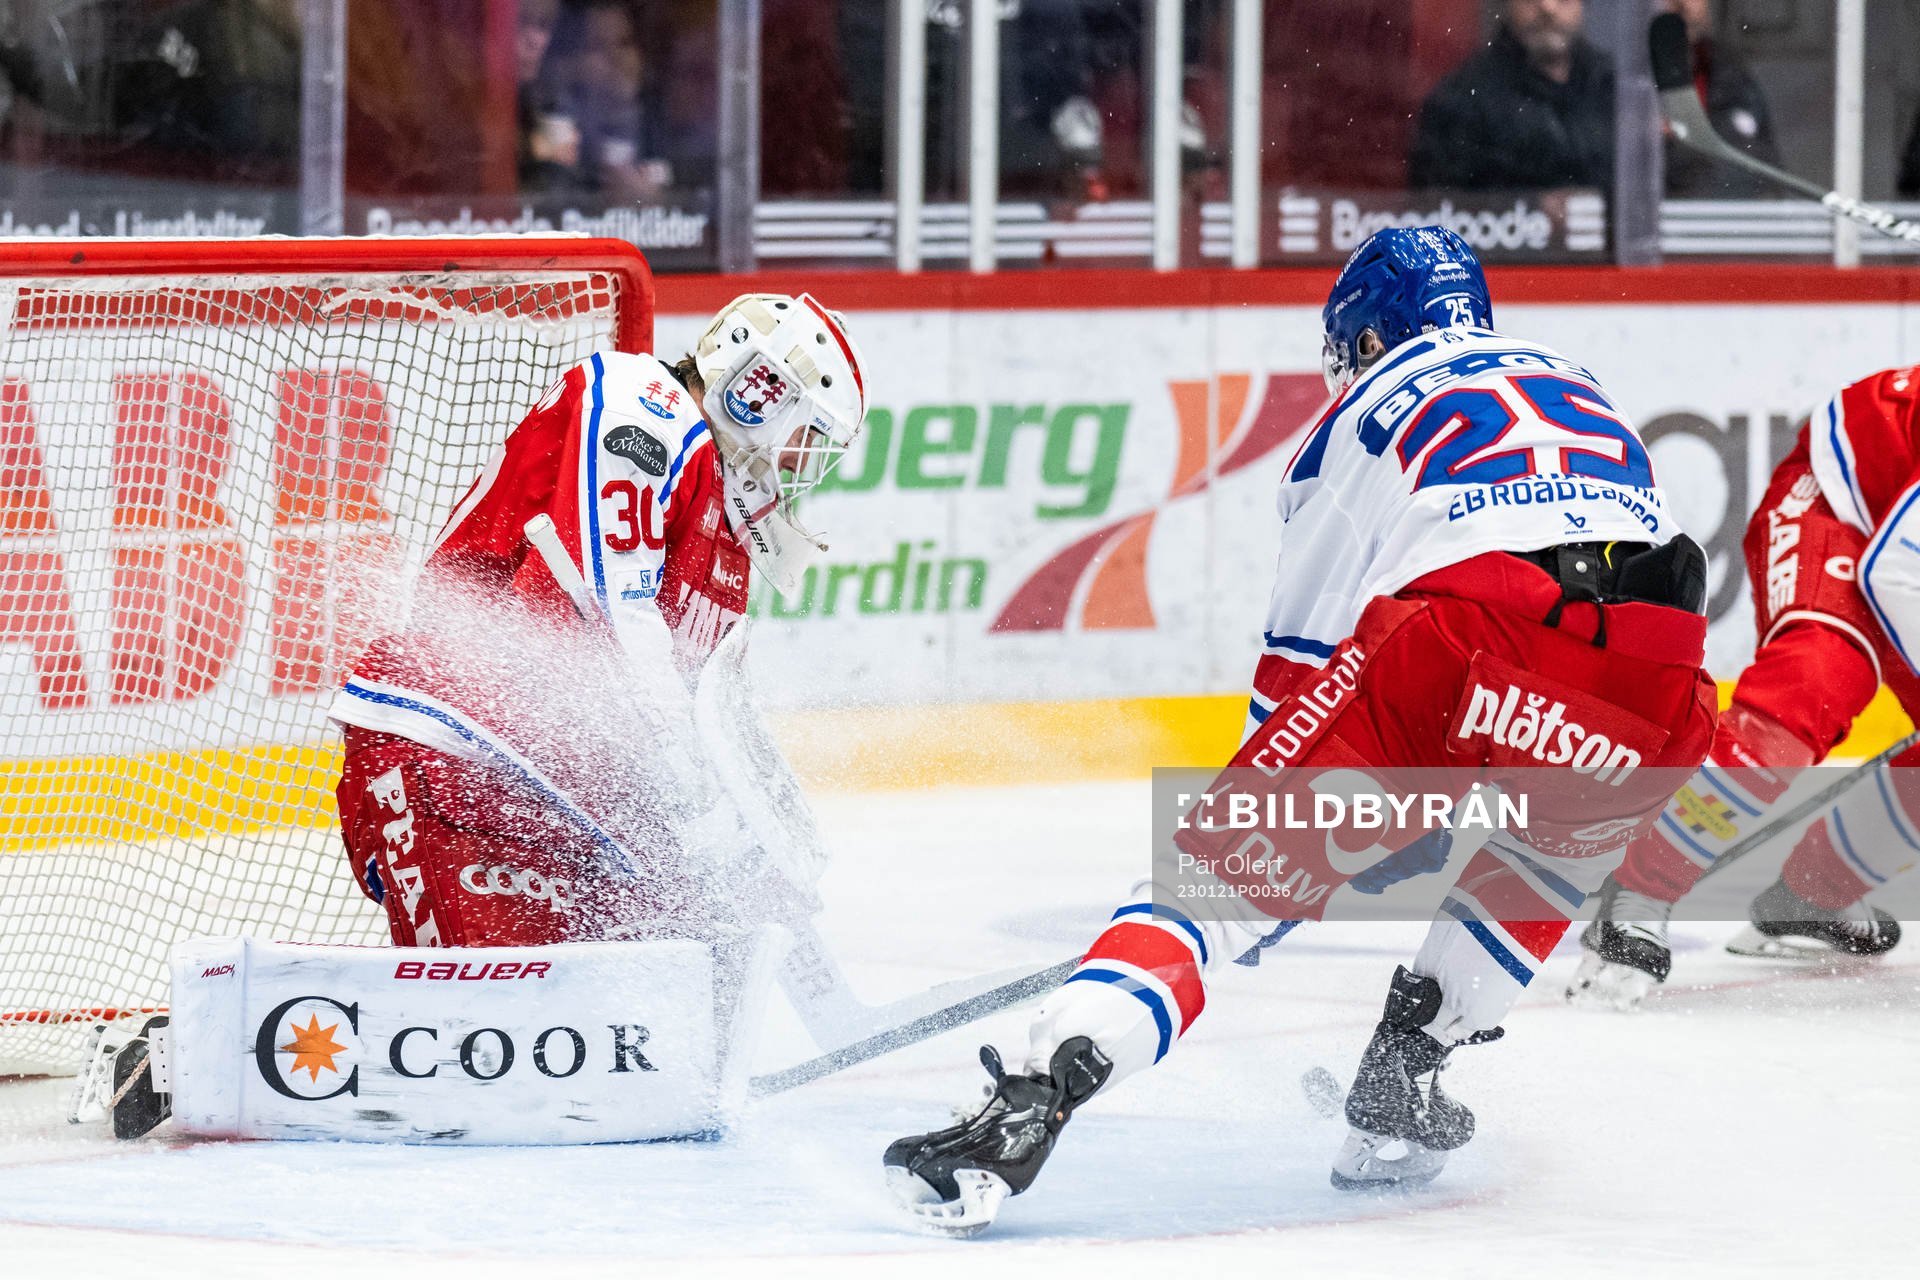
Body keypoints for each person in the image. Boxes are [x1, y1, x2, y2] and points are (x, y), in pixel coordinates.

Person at [882, 227, 1716, 1234]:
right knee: (1540, 854)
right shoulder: (1569, 375)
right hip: (1659, 689)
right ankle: (1407, 1071)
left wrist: (1269, 847)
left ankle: (1032, 1094)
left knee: (1205, 881)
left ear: (1368, 336)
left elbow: (1304, 660)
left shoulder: (1359, 414)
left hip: (1461, 639)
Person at [329, 292, 867, 953]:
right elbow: (612, 614)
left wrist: (762, 842)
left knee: (664, 993)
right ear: (759, 391)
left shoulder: (728, 526)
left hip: (564, 795)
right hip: (455, 752)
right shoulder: (640, 404)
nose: (797, 465)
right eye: (804, 438)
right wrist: (697, 798)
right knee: (495, 1021)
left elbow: (710, 707)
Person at [1572, 367, 1918, 1009]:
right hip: (1839, 512)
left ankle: (1813, 893)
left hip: (1903, 548)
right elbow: (1895, 569)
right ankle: (1640, 887)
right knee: (1807, 690)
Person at [1408, 0, 1614, 194]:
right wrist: (1531, 209)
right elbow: (1440, 202)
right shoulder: (1461, 99)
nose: (1547, 6)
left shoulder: (1613, 87)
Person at [1659, 0, 1781, 198]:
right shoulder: (1623, 79)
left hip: (1713, 211)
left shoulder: (1725, 71)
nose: (1684, 6)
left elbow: (1755, 164)